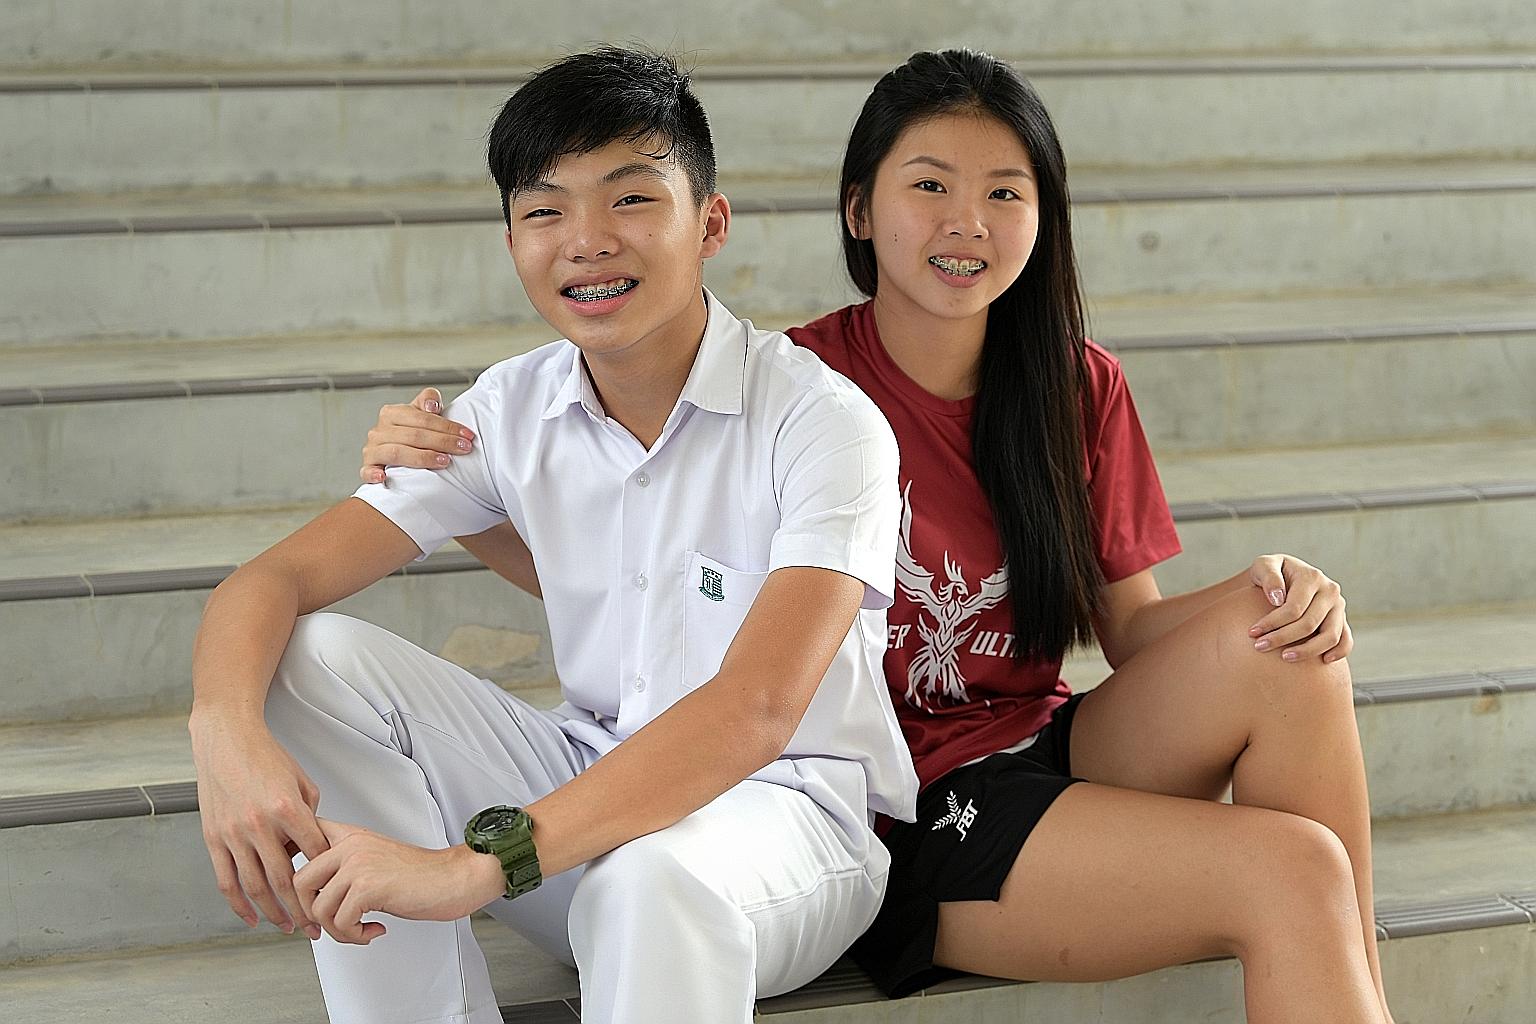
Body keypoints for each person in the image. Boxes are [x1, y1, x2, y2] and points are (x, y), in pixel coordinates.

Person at [359, 50, 1395, 1023]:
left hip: (1042, 742)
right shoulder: (798, 397)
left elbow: (1135, 633)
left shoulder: (1077, 385)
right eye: (930, 185)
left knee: (1294, 651)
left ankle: (1351, 983)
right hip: (898, 802)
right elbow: (648, 578)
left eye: (1005, 193)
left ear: (1043, 217)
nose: (967, 222)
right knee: (1290, 866)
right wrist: (445, 483)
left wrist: (1278, 593)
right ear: (859, 209)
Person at [190, 47, 920, 1024]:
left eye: (630, 200)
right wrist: (223, 730)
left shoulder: (824, 423)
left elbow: (755, 711)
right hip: (585, 793)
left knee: (650, 882)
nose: (586, 241)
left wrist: (472, 864)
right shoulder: (509, 410)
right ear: (512, 241)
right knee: (307, 657)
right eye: (545, 211)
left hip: (783, 828)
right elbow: (271, 580)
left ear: (710, 223)